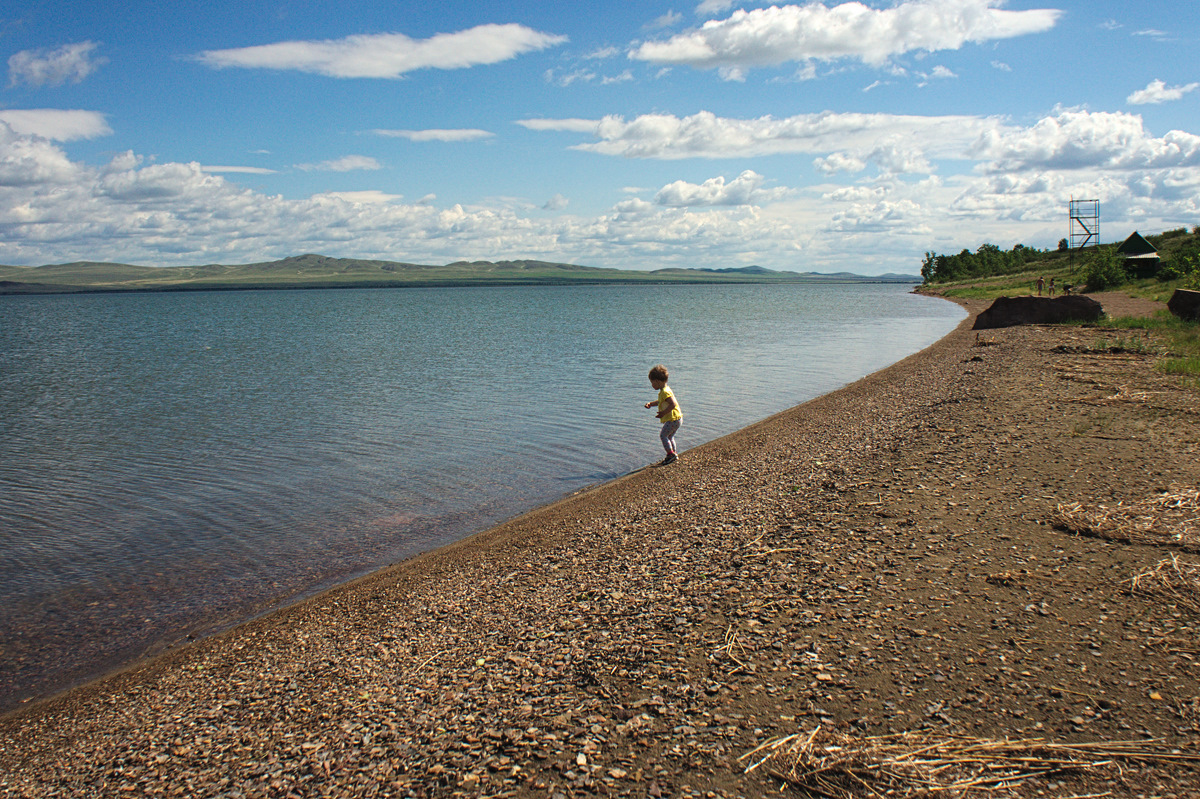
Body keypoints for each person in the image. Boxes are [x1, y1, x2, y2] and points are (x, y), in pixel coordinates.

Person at [644, 364, 682, 465]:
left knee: (663, 436)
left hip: (673, 419)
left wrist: (663, 413)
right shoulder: (665, 391)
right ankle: (673, 453)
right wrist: (651, 404)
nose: (652, 385)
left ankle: (670, 454)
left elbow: (673, 403)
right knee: (669, 437)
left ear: (657, 381)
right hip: (677, 419)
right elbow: (661, 401)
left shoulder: (665, 392)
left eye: (652, 382)